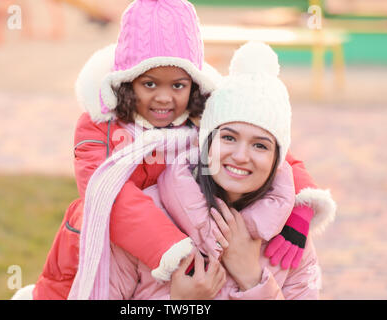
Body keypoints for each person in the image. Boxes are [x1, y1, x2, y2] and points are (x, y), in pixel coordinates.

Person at [13, 1, 332, 300]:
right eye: (150, 84)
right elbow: (115, 198)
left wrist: (301, 206)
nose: (164, 98)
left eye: (177, 85)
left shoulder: (206, 115)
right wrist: (176, 253)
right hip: (111, 236)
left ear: (193, 85)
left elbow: (273, 149)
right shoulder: (100, 128)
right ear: (127, 83)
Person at [108, 41, 336, 299]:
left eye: (260, 145)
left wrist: (252, 279)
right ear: (207, 142)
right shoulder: (147, 217)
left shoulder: (291, 240)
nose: (240, 156)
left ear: (277, 159)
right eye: (228, 138)